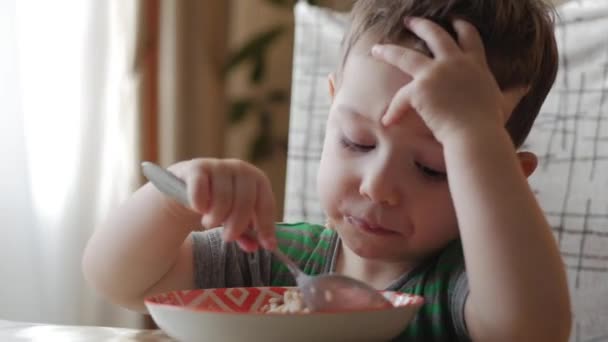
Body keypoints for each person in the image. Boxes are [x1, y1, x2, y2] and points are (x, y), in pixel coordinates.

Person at [82, 0, 572, 340]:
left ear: (505, 178)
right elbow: (120, 281)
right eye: (356, 141)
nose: (377, 185)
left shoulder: (465, 289)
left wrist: (476, 138)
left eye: (432, 168)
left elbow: (530, 329)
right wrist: (176, 197)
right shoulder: (272, 259)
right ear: (332, 107)